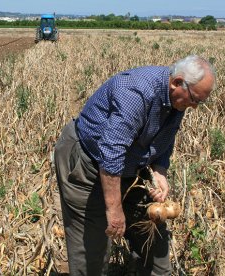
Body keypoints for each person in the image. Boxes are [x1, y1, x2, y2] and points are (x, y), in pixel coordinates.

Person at [54, 55, 216, 276]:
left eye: (200, 102)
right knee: (92, 249)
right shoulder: (136, 92)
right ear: (177, 82)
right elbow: (111, 153)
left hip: (130, 166)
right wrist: (114, 208)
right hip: (88, 162)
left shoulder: (177, 100)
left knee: (153, 239)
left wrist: (160, 170)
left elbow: (166, 137)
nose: (195, 107)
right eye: (195, 99)